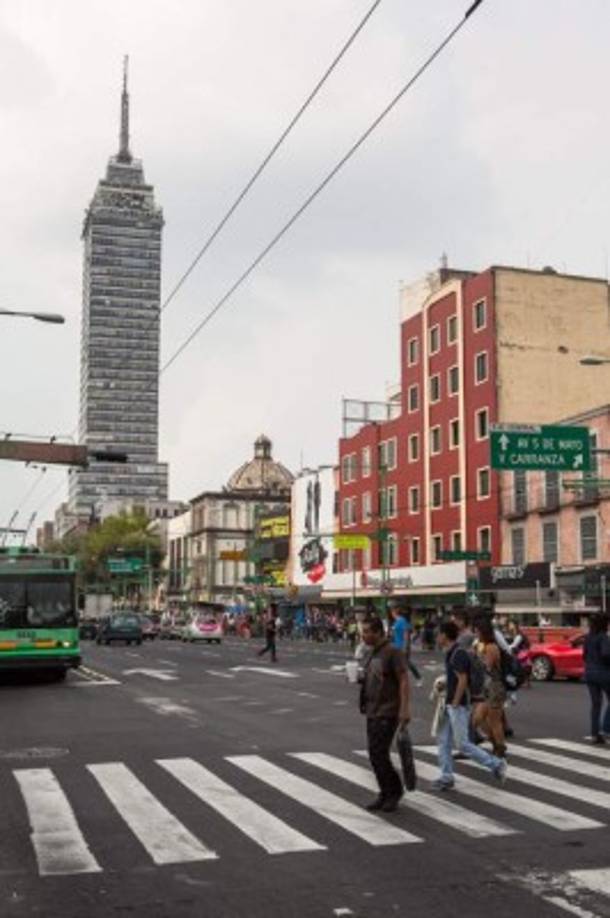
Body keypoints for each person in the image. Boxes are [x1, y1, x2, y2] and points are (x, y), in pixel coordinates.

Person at [434, 620, 507, 791]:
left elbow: (463, 680)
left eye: (438, 634)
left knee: (463, 744)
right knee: (443, 741)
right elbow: (455, 678)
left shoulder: (457, 653)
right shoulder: (451, 652)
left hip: (456, 705)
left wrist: (455, 701)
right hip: (449, 702)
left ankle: (496, 764)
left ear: (444, 635)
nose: (436, 637)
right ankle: (446, 776)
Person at [360, 616, 411, 812]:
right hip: (373, 710)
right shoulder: (374, 652)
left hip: (387, 710)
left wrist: (405, 709)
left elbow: (404, 680)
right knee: (375, 755)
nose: (363, 635)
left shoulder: (392, 652)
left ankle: (394, 791)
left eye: (367, 632)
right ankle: (385, 792)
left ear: (378, 632)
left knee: (379, 754)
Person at [472, 617, 507, 758]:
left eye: (477, 632)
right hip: (487, 688)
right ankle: (495, 743)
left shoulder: (491, 647)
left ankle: (500, 748)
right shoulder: (483, 646)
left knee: (494, 721)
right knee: (477, 718)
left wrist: (477, 656)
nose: (476, 634)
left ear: (483, 632)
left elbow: (487, 667)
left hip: (494, 687)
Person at [583, 613, 610, 744]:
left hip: (589, 673)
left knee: (595, 704)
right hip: (604, 673)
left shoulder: (588, 637)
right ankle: (607, 729)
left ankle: (595, 734)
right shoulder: (603, 637)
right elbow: (606, 654)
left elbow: (584, 655)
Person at [390, 605, 422, 685]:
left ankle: (418, 678)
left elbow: (406, 634)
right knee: (398, 663)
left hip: (402, 646)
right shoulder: (396, 622)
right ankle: (397, 680)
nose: (391, 614)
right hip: (396, 646)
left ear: (395, 612)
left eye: (392, 612)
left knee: (407, 663)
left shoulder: (402, 621)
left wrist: (406, 646)